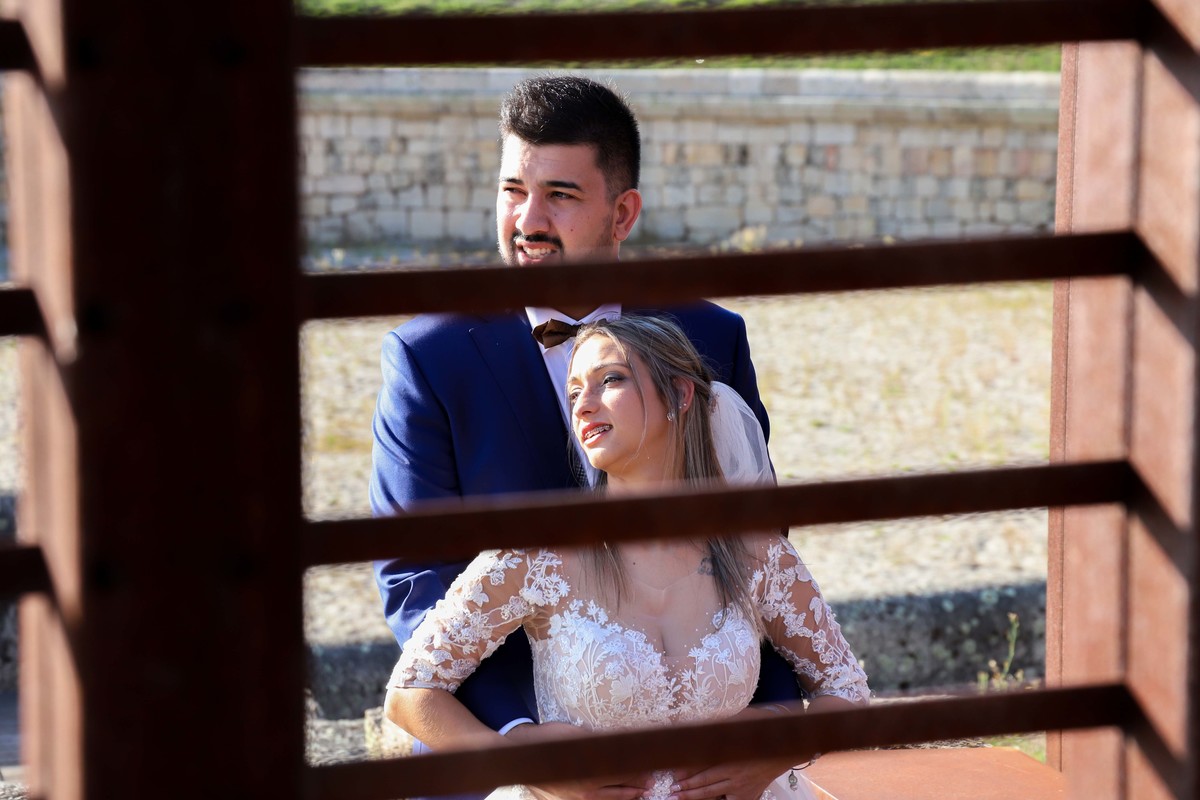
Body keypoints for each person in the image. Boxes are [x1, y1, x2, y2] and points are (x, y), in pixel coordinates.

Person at [369, 75, 799, 800]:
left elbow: (763, 555)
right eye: (512, 190)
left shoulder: (711, 336)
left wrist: (772, 727)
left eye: (560, 195)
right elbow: (416, 578)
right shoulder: (427, 356)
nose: (528, 220)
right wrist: (522, 745)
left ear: (623, 212)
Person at [385, 315, 871, 800]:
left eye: (610, 380)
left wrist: (777, 750)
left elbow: (847, 690)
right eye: (574, 392)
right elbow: (410, 694)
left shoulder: (756, 555)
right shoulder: (539, 554)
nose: (583, 405)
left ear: (680, 394)